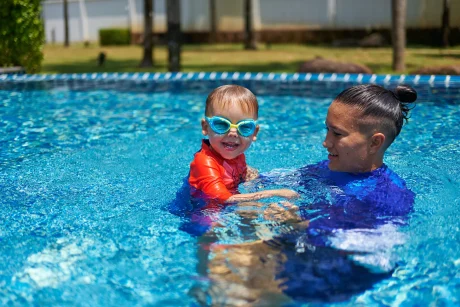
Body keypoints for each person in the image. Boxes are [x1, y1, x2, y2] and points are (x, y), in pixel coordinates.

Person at [199, 84, 418, 305]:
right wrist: (251, 178)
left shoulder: (389, 195)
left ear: (374, 142)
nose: (326, 142)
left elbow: (374, 256)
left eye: (337, 133)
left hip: (331, 273)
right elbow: (287, 179)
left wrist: (301, 225)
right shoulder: (328, 167)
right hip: (296, 248)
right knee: (225, 260)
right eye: (327, 130)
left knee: (238, 294)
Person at [188, 84, 298, 204]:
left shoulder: (236, 153)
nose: (233, 133)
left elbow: (237, 174)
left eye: (244, 127)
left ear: (254, 133)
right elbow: (225, 199)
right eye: (221, 124)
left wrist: (249, 175)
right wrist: (274, 193)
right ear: (205, 127)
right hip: (202, 211)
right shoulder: (204, 162)